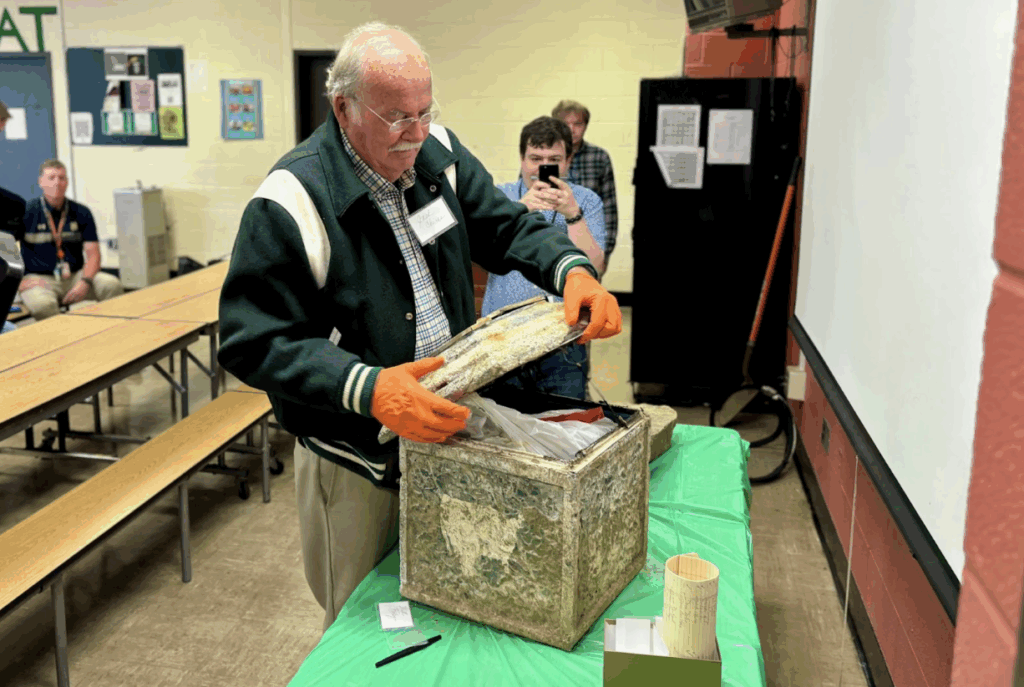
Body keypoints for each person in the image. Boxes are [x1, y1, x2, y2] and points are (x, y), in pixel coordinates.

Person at [217, 22, 622, 631]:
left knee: (445, 608)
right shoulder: (292, 200)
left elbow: (505, 227)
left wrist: (571, 270)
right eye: (397, 118)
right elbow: (253, 338)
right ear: (343, 107)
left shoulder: (439, 155)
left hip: (445, 432)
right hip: (357, 458)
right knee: (364, 623)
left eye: (425, 111)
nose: (416, 133)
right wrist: (368, 388)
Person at [482, 116, 605, 400]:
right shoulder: (500, 196)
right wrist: (517, 210)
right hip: (504, 336)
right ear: (522, 159)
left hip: (564, 337)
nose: (541, 167)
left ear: (568, 161)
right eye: (535, 157)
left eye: (553, 158)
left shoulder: (587, 201)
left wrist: (573, 215)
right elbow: (478, 250)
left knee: (567, 419)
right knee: (503, 423)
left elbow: (594, 267)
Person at [17, 159, 124, 320]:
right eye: (51, 178)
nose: (57, 183)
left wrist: (85, 281)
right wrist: (19, 283)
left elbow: (94, 255)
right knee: (43, 305)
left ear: (67, 182)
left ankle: (113, 330)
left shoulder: (81, 212)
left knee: (111, 284)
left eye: (62, 178)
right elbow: (4, 250)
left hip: (76, 275)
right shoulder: (26, 212)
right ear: (40, 182)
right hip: (39, 279)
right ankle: (61, 341)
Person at [552, 99, 618, 273]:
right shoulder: (543, 156)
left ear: (586, 126)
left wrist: (604, 254)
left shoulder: (599, 157)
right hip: (551, 247)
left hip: (589, 246)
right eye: (565, 124)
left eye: (578, 124)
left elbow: (610, 209)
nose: (571, 129)